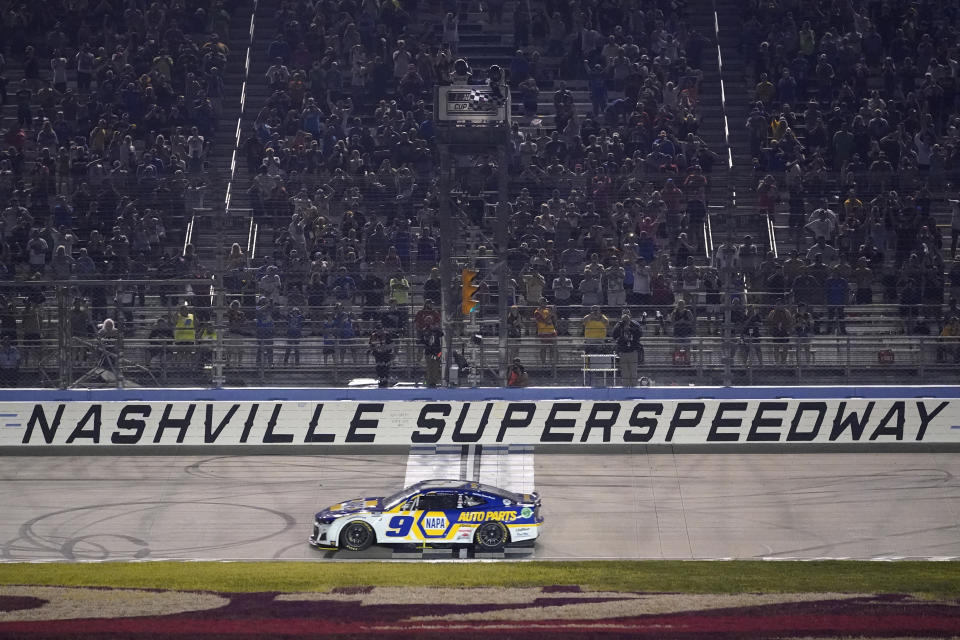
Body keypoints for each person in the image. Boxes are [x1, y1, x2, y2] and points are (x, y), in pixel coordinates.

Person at [611, 309, 643, 386]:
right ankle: (626, 387)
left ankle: (634, 387)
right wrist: (621, 326)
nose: (626, 316)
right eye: (624, 314)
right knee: (625, 372)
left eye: (627, 314)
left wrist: (629, 328)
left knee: (633, 371)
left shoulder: (634, 324)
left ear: (630, 315)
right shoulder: (619, 325)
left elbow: (640, 334)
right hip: (623, 351)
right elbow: (614, 335)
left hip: (633, 350)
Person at [420, 315, 443, 387]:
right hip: (429, 352)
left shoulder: (436, 329)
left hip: (437, 352)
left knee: (436, 366)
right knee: (429, 367)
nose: (429, 322)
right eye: (427, 320)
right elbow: (422, 340)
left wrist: (434, 329)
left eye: (430, 320)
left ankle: (434, 382)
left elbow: (441, 334)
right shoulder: (424, 330)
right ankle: (429, 382)